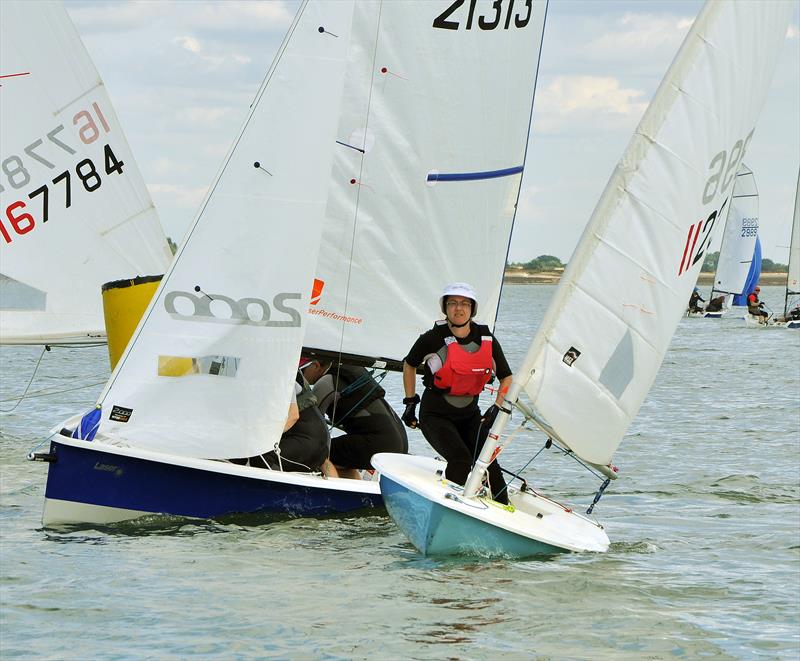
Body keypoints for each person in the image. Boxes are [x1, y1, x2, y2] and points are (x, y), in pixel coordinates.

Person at [401, 282, 513, 504]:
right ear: (445, 308)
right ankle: (453, 506)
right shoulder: (432, 338)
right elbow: (409, 364)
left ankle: (506, 509)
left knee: (489, 463)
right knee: (461, 460)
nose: (458, 308)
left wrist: (497, 407)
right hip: (435, 415)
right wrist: (410, 402)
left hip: (471, 415)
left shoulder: (486, 339)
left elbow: (507, 377)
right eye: (452, 303)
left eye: (464, 303)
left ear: (472, 309)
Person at [300, 357, 408, 479]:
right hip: (400, 442)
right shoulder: (351, 368)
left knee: (317, 452)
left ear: (315, 366)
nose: (299, 375)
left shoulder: (325, 383)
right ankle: (356, 492)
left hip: (379, 443)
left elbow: (310, 425)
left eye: (301, 370)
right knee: (342, 459)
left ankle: (334, 491)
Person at [230, 367, 335, 475]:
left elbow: (293, 415)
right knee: (241, 453)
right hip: (313, 438)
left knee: (260, 455)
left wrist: (264, 437)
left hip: (307, 438)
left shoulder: (281, 373)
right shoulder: (261, 373)